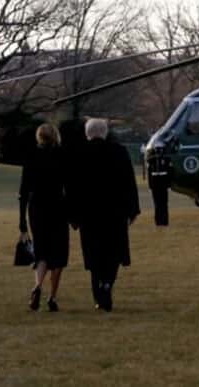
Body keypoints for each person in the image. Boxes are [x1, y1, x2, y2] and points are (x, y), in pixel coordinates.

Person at [72, 118, 140, 312]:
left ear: (87, 133)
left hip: (89, 214)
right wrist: (132, 209)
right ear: (105, 132)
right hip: (115, 213)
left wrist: (74, 216)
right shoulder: (119, 152)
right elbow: (129, 183)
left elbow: (73, 188)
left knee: (94, 255)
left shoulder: (79, 153)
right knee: (113, 253)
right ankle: (108, 284)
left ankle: (98, 294)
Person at [17, 123, 70, 312]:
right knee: (59, 255)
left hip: (36, 208)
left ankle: (38, 286)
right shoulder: (62, 155)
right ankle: (52, 297)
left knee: (42, 252)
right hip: (57, 206)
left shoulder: (31, 157)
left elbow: (23, 191)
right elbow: (69, 187)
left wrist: (22, 221)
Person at [147, 151, 171, 227]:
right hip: (155, 182)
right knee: (157, 203)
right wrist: (150, 185)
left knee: (163, 202)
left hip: (163, 181)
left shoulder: (166, 159)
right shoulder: (151, 160)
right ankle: (158, 221)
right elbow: (149, 173)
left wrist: (169, 184)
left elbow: (170, 172)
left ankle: (164, 221)